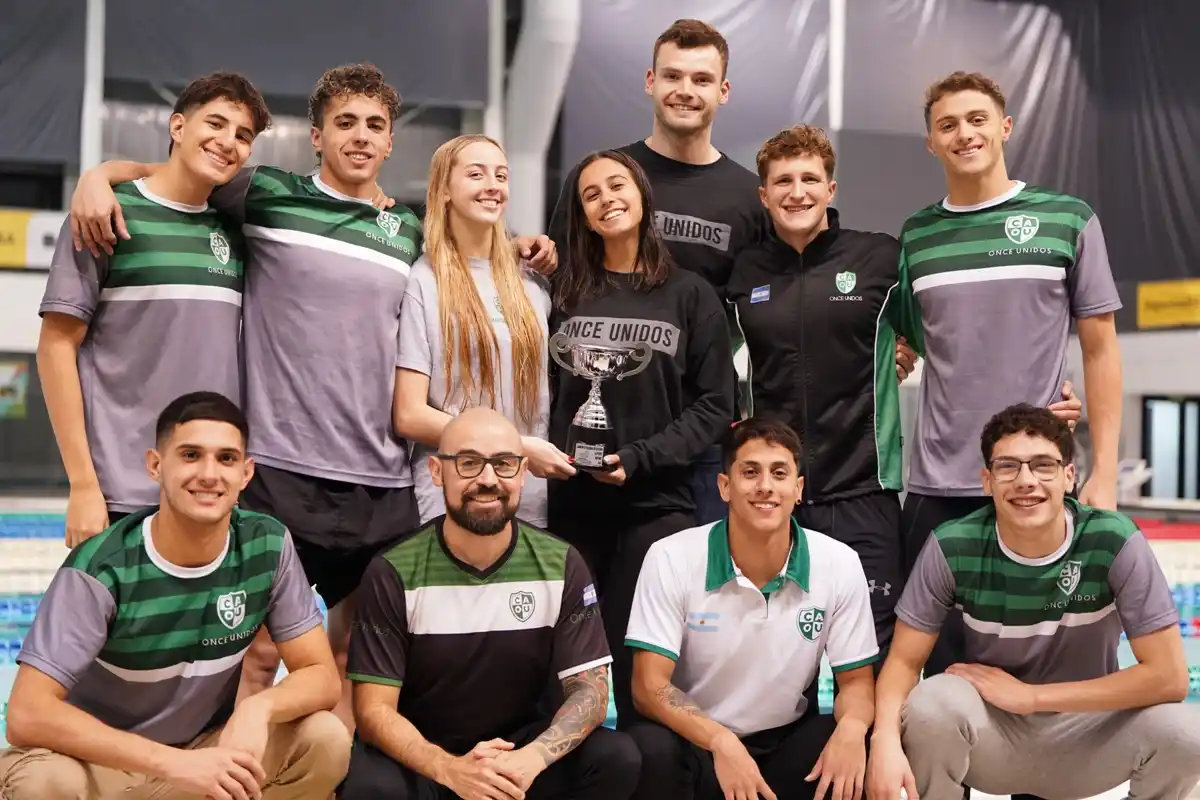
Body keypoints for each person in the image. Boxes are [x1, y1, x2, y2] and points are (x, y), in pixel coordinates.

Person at [69, 63, 559, 724]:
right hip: (280, 474)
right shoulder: (265, 194)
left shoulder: (410, 234)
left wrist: (524, 244)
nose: (360, 137)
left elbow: (470, 244)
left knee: (356, 652)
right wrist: (98, 175)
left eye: (375, 126)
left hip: (378, 482)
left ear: (390, 143)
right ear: (318, 139)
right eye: (345, 123)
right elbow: (184, 171)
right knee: (260, 650)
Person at [0, 391, 350, 800]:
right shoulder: (103, 568)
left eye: (226, 459)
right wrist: (173, 764)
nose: (209, 474)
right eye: (189, 455)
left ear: (246, 473)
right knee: (42, 784)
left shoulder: (266, 545)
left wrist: (260, 708)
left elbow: (321, 676)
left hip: (201, 754)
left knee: (324, 739)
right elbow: (26, 714)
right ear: (155, 465)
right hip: (101, 765)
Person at [889, 70, 1115, 683]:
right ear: (931, 142)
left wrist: (1106, 472)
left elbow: (1100, 349)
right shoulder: (916, 237)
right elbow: (902, 337)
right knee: (937, 681)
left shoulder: (1067, 219)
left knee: (1044, 670)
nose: (965, 134)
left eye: (977, 119)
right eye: (947, 125)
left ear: (1004, 127)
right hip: (939, 488)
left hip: (1035, 480)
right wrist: (893, 353)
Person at [867, 403, 1200, 800]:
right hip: (996, 740)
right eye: (1008, 467)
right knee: (932, 705)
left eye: (1043, 465)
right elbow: (904, 662)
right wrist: (883, 741)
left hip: (1091, 736)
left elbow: (1170, 677)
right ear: (986, 480)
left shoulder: (1112, 541)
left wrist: (1033, 698)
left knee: (1186, 733)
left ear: (1069, 476)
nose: (1026, 481)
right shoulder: (953, 545)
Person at [340, 407, 641, 800]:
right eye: (468, 463)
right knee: (371, 787)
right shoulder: (393, 570)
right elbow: (374, 711)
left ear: (522, 472)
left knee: (615, 756)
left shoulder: (561, 563)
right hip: (426, 757)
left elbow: (592, 693)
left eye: (503, 464)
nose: (487, 480)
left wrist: (531, 759)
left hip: (518, 752)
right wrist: (448, 768)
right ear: (436, 471)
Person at [37, 72, 270, 549]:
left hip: (213, 489)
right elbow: (56, 346)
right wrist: (83, 485)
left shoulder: (237, 226)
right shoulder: (105, 216)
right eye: (216, 124)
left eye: (243, 135)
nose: (228, 142)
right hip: (120, 490)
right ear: (178, 127)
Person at [548, 19, 767, 527]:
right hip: (604, 438)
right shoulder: (603, 177)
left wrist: (883, 342)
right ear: (651, 82)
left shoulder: (745, 197)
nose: (685, 91)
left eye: (701, 79)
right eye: (672, 76)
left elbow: (774, 300)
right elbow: (557, 280)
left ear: (723, 90)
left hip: (700, 433)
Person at [548, 148, 737, 729]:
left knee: (647, 685)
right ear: (580, 214)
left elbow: (716, 404)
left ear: (643, 193)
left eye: (617, 185)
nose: (607, 199)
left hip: (656, 509)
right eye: (591, 194)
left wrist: (640, 457)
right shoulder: (562, 291)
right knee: (563, 675)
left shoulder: (690, 293)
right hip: (572, 506)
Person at [728, 124, 911, 661]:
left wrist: (906, 350)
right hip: (777, 495)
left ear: (831, 190)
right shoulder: (744, 274)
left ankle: (875, 745)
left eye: (810, 178)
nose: (797, 191)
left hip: (864, 487)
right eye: (783, 180)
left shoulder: (879, 258)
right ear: (765, 195)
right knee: (778, 655)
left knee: (875, 652)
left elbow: (940, 335)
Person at [625, 417, 878, 800]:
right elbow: (648, 686)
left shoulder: (838, 563)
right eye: (750, 472)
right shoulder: (671, 557)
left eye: (779, 473)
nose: (765, 487)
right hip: (698, 741)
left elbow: (857, 683)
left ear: (798, 489)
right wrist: (720, 741)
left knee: (858, 745)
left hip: (785, 740)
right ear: (725, 486)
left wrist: (853, 729)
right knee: (647, 750)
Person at [394, 134, 575, 530]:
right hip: (451, 493)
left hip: (526, 493)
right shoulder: (424, 280)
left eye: (501, 175)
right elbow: (409, 414)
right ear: (444, 189)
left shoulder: (530, 282)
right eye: (476, 174)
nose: (493, 185)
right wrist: (513, 447)